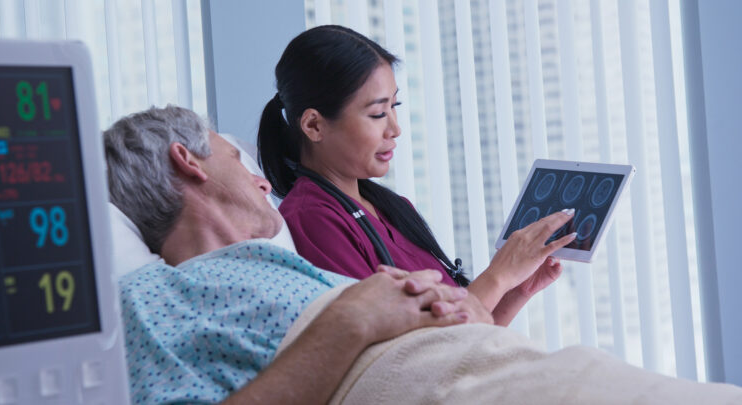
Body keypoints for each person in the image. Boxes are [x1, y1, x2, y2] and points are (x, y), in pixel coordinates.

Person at [107, 106, 742, 405]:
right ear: (186, 161)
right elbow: (359, 338)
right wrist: (353, 319)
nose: (261, 177)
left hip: (499, 367)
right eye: (234, 156)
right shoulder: (152, 298)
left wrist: (491, 304)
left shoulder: (292, 261)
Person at [257, 25, 574, 325]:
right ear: (314, 125)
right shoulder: (312, 221)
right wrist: (498, 276)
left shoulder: (392, 208)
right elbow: (396, 354)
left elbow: (461, 340)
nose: (395, 129)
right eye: (378, 113)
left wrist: (516, 290)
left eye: (396, 107)